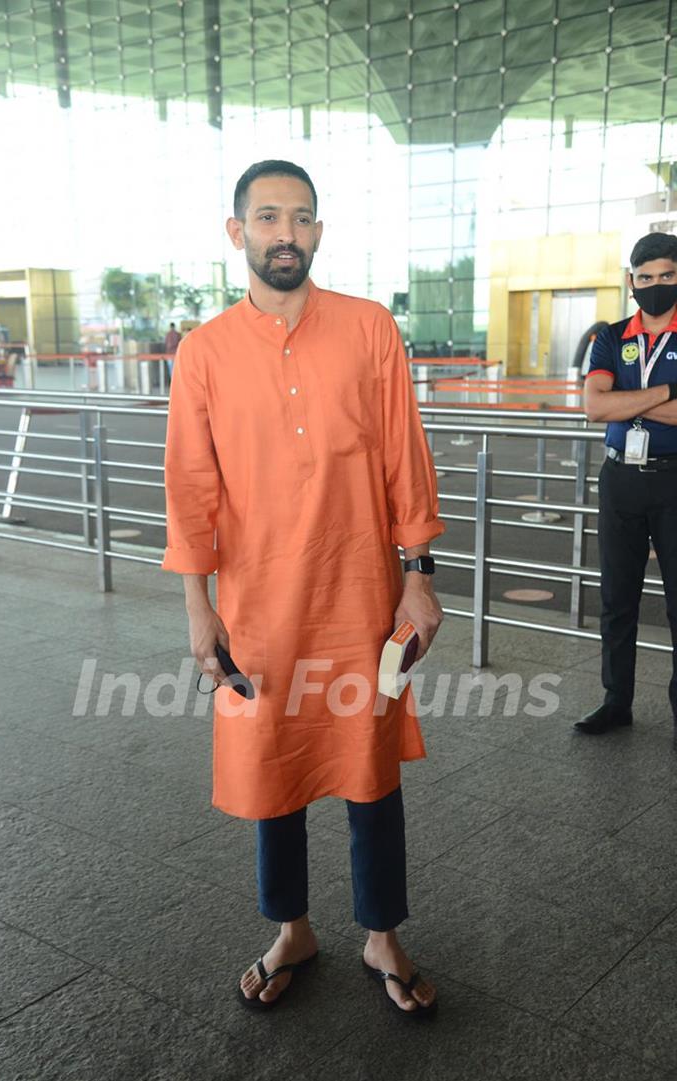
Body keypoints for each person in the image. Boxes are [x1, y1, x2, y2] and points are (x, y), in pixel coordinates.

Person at [162, 160, 444, 1016]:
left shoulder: (368, 329)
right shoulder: (205, 351)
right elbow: (191, 490)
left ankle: (381, 932)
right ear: (236, 231)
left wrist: (419, 579)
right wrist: (198, 609)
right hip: (257, 603)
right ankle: (292, 928)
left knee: (371, 770)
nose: (287, 233)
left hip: (362, 596)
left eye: (303, 218)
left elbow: (405, 457)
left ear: (319, 232)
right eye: (269, 216)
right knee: (269, 767)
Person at [579, 231, 677, 734]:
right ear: (631, 281)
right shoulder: (612, 337)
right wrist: (665, 392)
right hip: (620, 476)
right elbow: (595, 406)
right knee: (617, 598)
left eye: (666, 276)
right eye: (646, 278)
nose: (655, 285)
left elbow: (612, 401)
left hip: (672, 480)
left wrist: (629, 397)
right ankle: (616, 701)